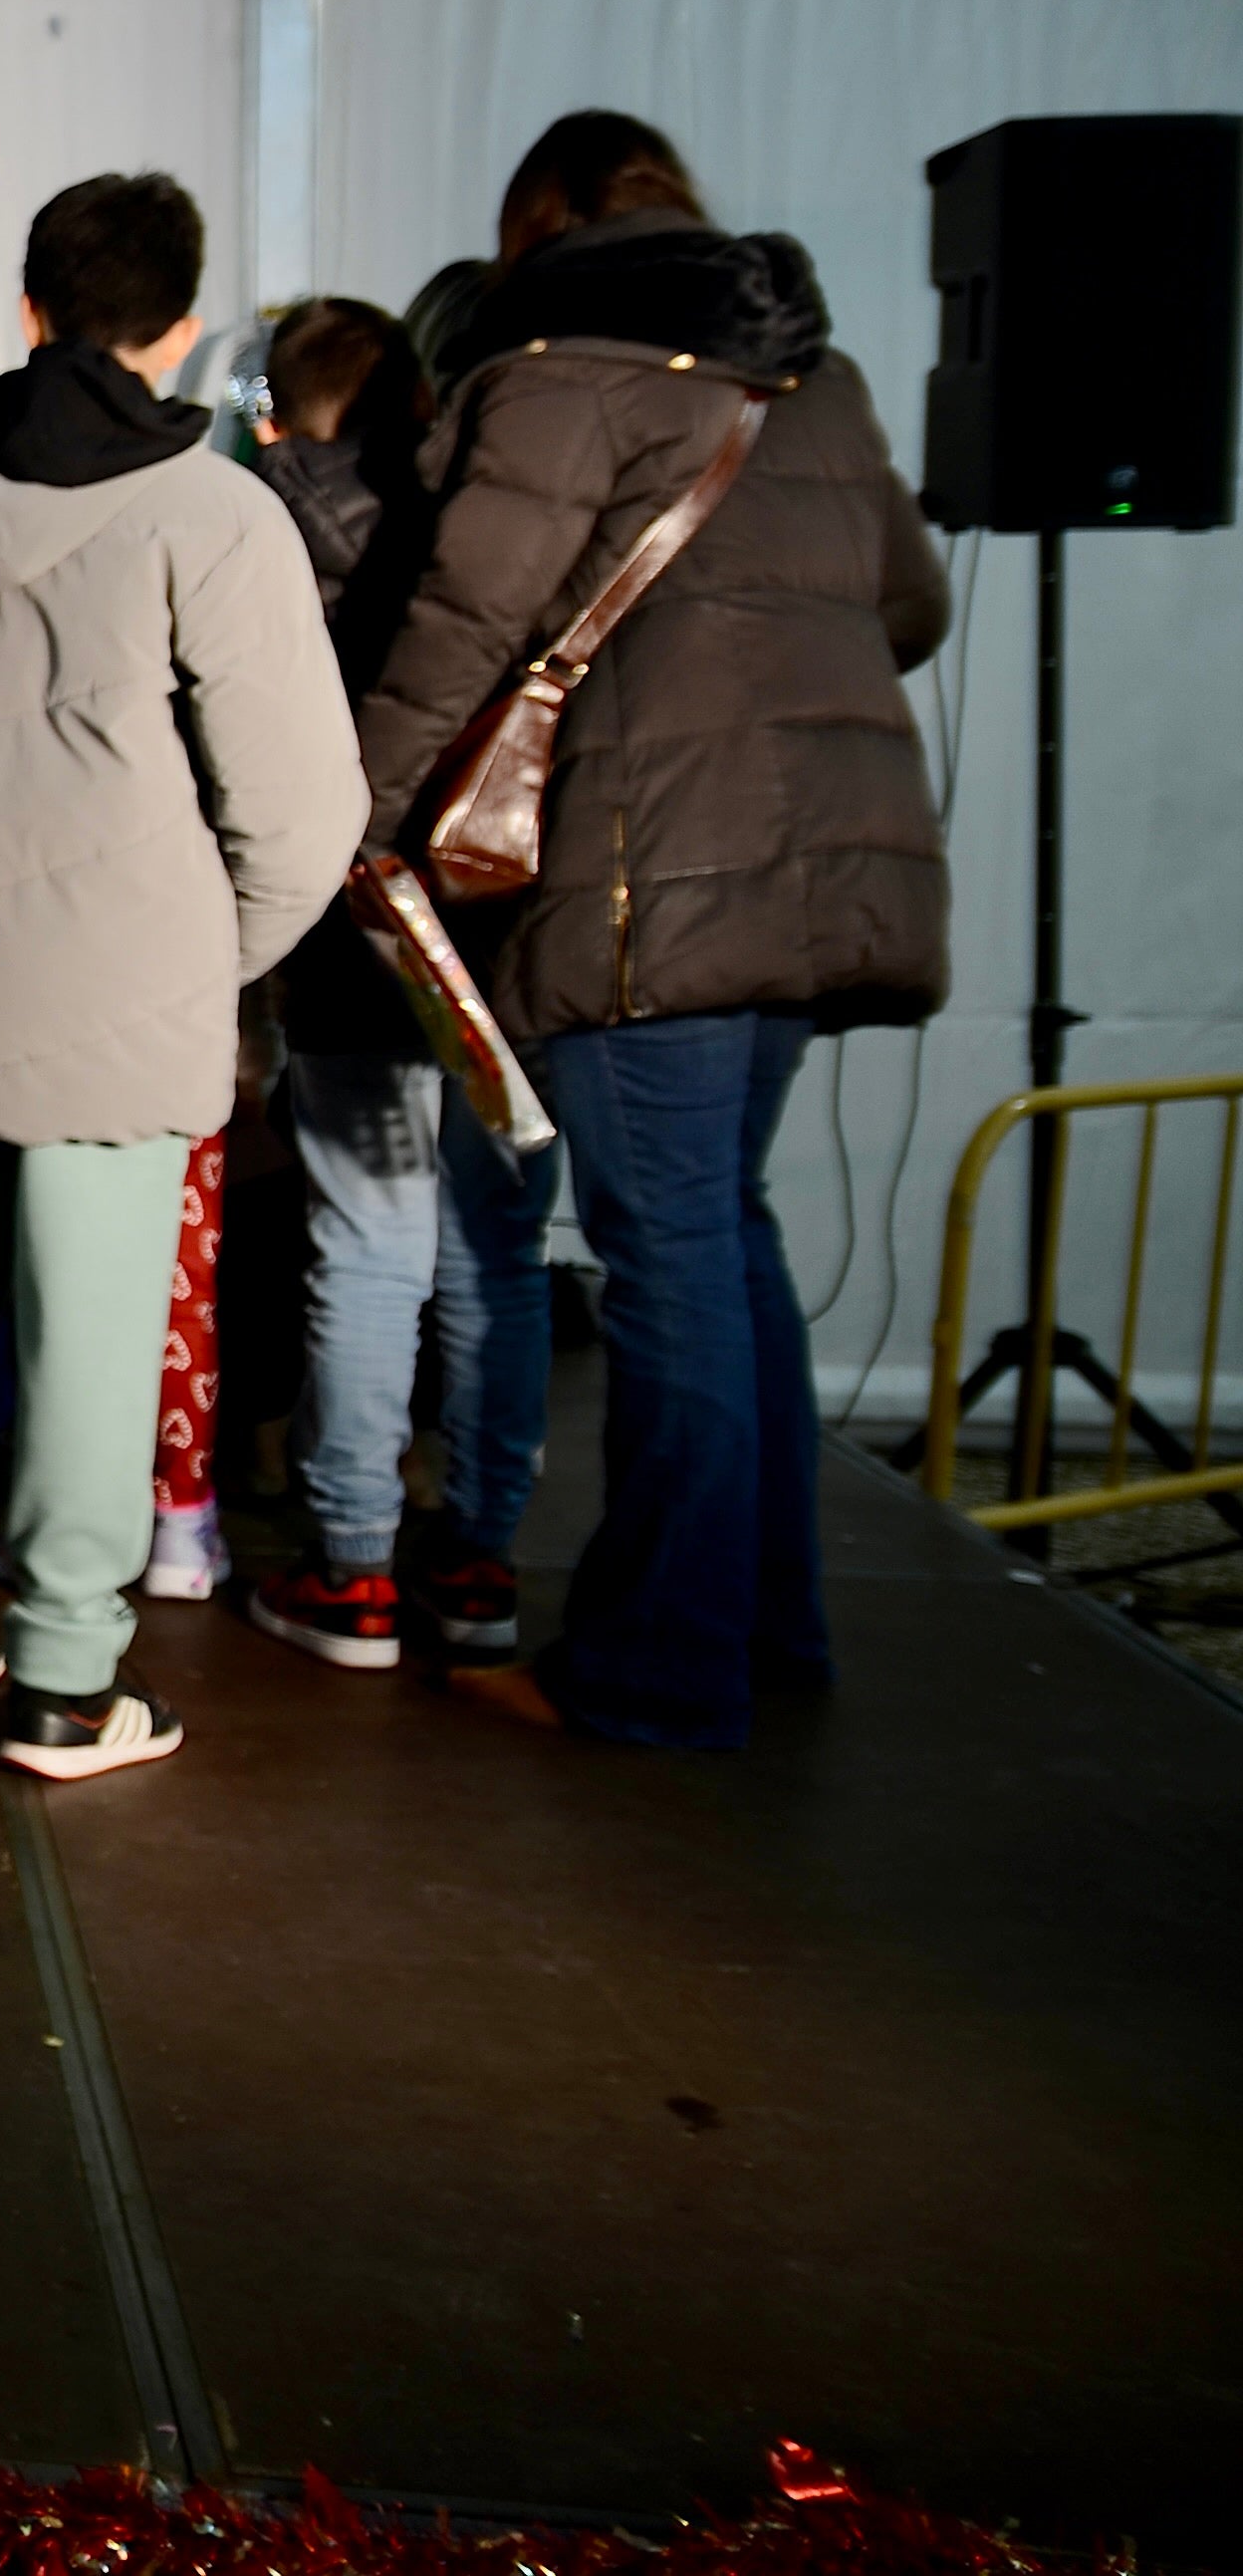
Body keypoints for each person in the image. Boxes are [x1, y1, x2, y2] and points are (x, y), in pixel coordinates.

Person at [352, 111, 948, 1750]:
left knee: (666, 1259)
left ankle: (660, 1663)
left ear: (534, 221)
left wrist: (359, 810)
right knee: (722, 1239)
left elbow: (464, 619)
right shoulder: (802, 377)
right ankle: (763, 1624)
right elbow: (909, 601)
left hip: (651, 870)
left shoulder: (555, 368)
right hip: (826, 861)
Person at [0, 175, 363, 1779]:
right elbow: (305, 807)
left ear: (31, 309)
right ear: (183, 323)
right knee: (96, 1328)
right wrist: (212, 957)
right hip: (124, 981)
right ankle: (61, 1676)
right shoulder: (212, 512)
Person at [236, 301, 557, 1671]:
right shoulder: (488, 522)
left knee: (363, 1252)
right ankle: (478, 1558)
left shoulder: (252, 531)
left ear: (283, 407)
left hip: (351, 924)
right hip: (501, 929)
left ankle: (354, 1567)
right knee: (500, 1255)